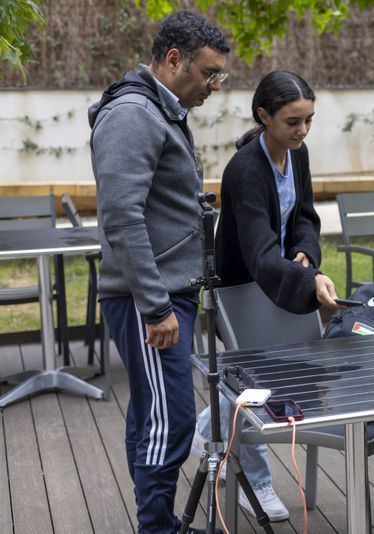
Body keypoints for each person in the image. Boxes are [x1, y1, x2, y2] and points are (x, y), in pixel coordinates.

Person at [88, 11, 229, 534]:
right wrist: (156, 306)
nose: (214, 86)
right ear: (174, 60)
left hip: (164, 296)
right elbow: (121, 219)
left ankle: (157, 521)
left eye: (219, 76)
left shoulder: (159, 111)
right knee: (171, 420)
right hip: (147, 301)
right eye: (209, 73)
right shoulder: (132, 115)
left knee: (154, 413)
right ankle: (156, 527)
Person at [192, 70, 341, 521]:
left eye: (309, 120)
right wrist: (309, 282)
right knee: (252, 382)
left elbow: (306, 218)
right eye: (293, 121)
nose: (303, 130)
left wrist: (304, 253)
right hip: (240, 291)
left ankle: (204, 430)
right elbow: (257, 253)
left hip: (278, 279)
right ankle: (255, 483)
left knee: (265, 379)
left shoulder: (298, 154)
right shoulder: (244, 171)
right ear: (264, 115)